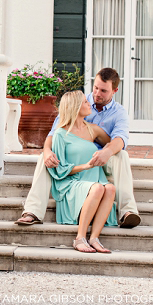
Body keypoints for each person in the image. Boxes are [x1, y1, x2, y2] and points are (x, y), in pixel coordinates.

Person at [14, 67, 140, 228]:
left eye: (103, 91)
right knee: (44, 159)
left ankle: (127, 211)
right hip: (73, 156)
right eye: (95, 88)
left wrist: (107, 152)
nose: (97, 94)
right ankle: (32, 211)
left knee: (122, 155)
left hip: (99, 160)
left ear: (114, 91)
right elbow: (54, 132)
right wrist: (46, 151)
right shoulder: (77, 101)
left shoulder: (118, 112)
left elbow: (120, 139)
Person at [46, 90, 117, 253]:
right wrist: (86, 166)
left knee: (110, 188)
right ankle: (80, 238)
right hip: (72, 183)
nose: (89, 104)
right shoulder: (60, 134)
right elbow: (60, 169)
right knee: (98, 187)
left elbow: (114, 143)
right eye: (85, 102)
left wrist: (105, 152)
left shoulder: (92, 130)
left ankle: (94, 238)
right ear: (76, 107)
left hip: (93, 179)